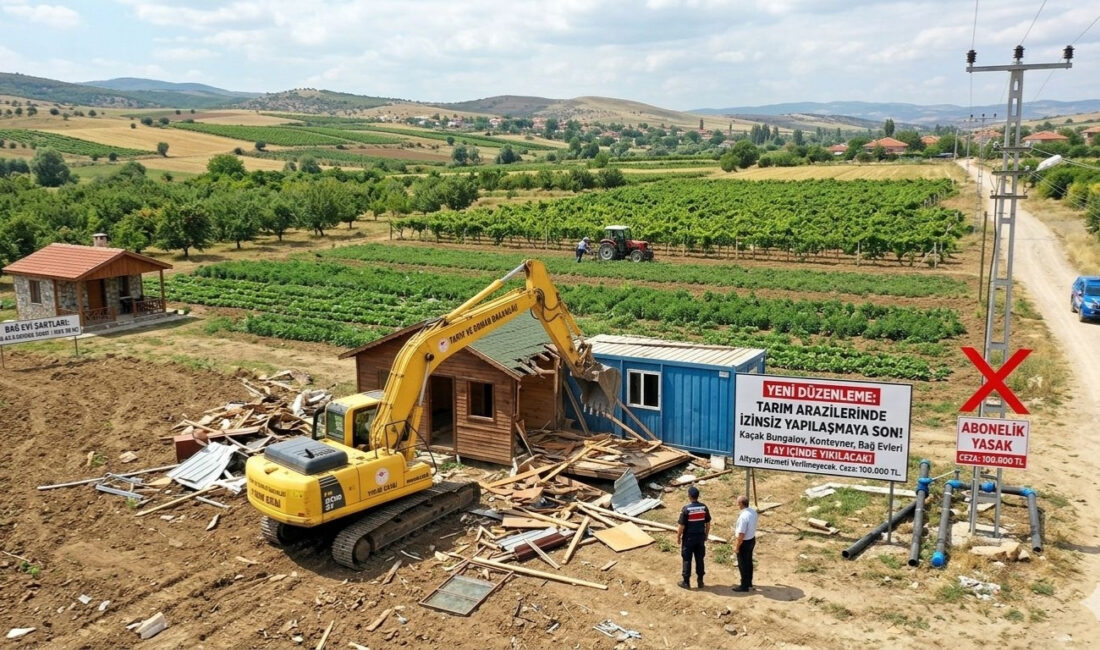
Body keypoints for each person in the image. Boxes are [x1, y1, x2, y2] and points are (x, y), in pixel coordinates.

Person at [676, 485, 711, 589]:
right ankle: (700, 581)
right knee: (700, 559)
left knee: (687, 559)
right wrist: (706, 535)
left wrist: (678, 536)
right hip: (700, 538)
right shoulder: (704, 507)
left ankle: (686, 582)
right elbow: (708, 523)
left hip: (688, 539)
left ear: (689, 496)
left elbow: (681, 526)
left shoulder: (686, 509)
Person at [732, 494, 758, 592]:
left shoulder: (743, 516)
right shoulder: (753, 512)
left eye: (738, 503)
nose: (737, 504)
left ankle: (744, 585)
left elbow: (741, 534)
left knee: (742, 564)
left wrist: (737, 546)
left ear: (741, 504)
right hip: (752, 539)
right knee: (749, 562)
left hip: (744, 542)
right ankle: (749, 582)